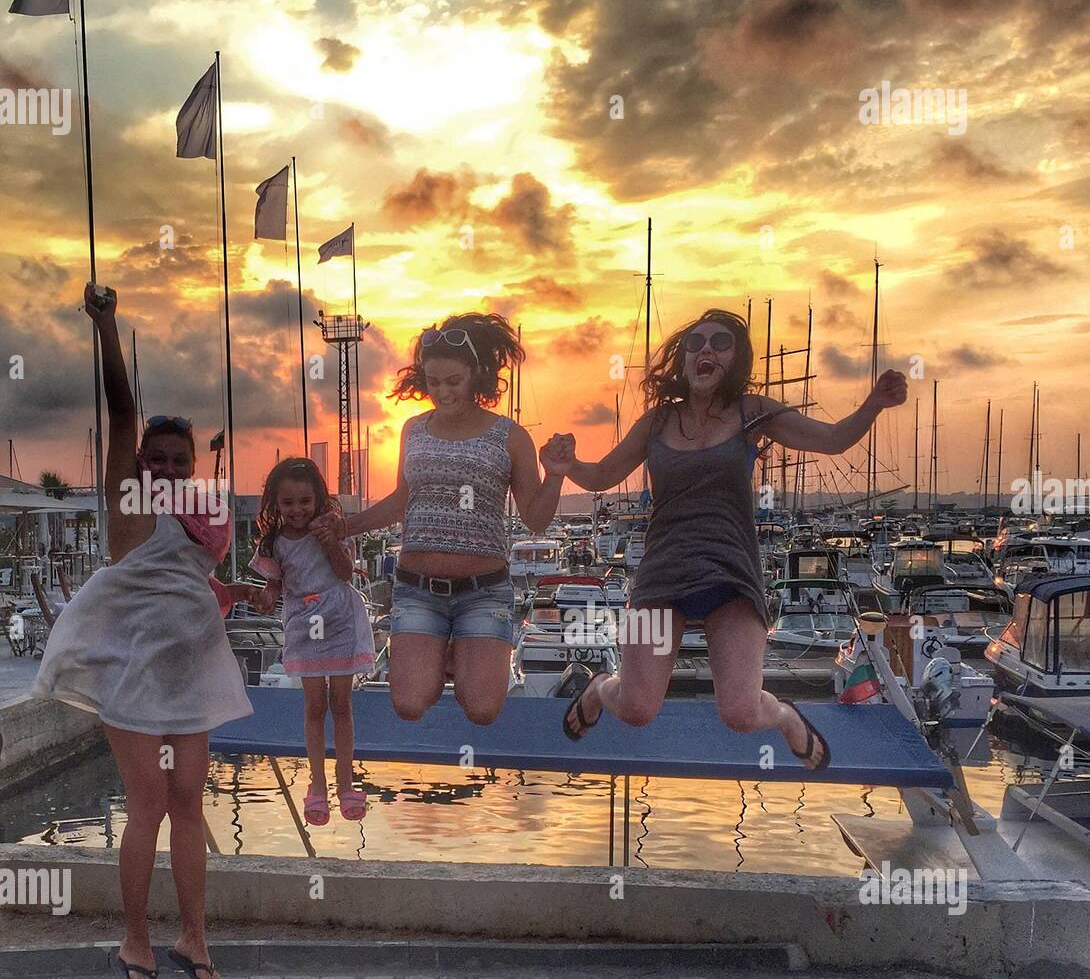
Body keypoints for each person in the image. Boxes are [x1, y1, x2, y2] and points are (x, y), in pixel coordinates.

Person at [540, 308, 907, 767]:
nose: (706, 351)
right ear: (684, 360)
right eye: (695, 344)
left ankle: (787, 716)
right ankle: (598, 688)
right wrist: (567, 467)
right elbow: (603, 474)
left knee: (740, 713)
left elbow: (831, 439)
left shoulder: (751, 412)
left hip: (731, 575)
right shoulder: (657, 422)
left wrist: (873, 403)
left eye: (720, 343)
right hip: (662, 577)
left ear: (736, 359)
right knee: (636, 708)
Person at [33, 284, 259, 979]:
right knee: (150, 803)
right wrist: (107, 326)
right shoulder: (128, 500)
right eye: (154, 458)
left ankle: (194, 935)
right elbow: (122, 411)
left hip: (191, 668)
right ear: (138, 465)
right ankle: (135, 936)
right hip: (130, 672)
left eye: (176, 459)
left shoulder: (203, 519)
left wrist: (247, 592)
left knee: (189, 802)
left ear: (192, 465)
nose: (164, 468)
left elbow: (195, 587)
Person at [312, 313, 563, 724]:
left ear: (476, 376)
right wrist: (346, 526)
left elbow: (535, 520)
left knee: (481, 710)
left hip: (484, 592)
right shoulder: (413, 429)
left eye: (453, 381)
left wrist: (555, 474)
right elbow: (400, 500)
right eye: (433, 382)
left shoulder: (510, 436)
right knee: (410, 704)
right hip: (418, 591)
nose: (442, 392)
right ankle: (447, 654)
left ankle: (461, 653)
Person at [250, 457, 375, 825]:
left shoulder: (332, 529)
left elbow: (344, 572)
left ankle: (346, 781)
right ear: (276, 503)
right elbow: (275, 582)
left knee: (341, 703)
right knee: (314, 706)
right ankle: (317, 783)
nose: (297, 510)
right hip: (304, 624)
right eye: (288, 503)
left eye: (304, 501)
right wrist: (268, 594)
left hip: (338, 618)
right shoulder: (274, 543)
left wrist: (330, 541)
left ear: (318, 499)